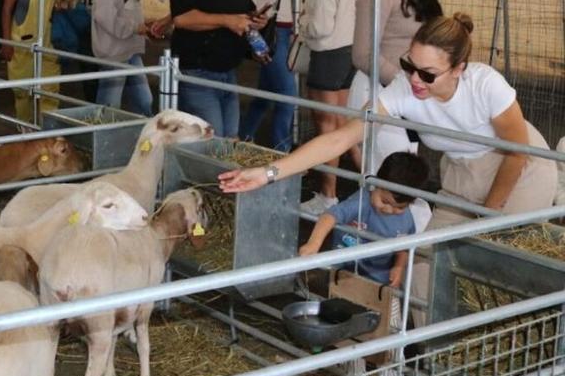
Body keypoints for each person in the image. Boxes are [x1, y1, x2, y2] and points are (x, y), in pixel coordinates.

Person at [222, 12, 558, 226]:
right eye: (409, 65)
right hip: (460, 173)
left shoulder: (485, 85)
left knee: (498, 258)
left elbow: (517, 152)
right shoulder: (402, 89)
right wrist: (268, 173)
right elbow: (340, 139)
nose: (415, 80)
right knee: (427, 266)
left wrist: (489, 215)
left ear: (459, 69)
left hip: (520, 169)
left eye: (428, 74)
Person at [345, 0, 444, 182]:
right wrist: (409, 82)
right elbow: (362, 54)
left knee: (401, 177)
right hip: (378, 89)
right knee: (390, 181)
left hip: (407, 93)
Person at [169, 0, 265, 135]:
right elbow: (181, 18)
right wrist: (227, 21)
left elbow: (245, 12)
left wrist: (256, 21)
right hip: (197, 73)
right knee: (212, 142)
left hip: (229, 72)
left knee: (228, 140)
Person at [299, 0, 361, 209]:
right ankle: (371, 182)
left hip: (327, 55)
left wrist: (302, 24)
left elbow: (321, 27)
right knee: (342, 123)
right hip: (350, 53)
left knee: (327, 126)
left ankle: (328, 195)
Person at [299, 151, 429, 286]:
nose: (389, 209)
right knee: (337, 294)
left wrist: (398, 267)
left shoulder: (406, 220)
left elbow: (404, 246)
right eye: (384, 201)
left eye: (400, 207)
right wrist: (313, 243)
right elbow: (330, 215)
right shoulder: (361, 201)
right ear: (375, 184)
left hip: (378, 275)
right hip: (343, 267)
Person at [239, 0, 299, 151]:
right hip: (270, 36)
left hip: (281, 33)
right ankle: (283, 154)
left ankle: (241, 140)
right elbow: (248, 5)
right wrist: (256, 42)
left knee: (265, 97)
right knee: (287, 95)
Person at [92, 0, 162, 116]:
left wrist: (141, 26)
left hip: (129, 49)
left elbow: (127, 9)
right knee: (109, 105)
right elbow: (104, 15)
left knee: (144, 101)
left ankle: (144, 132)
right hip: (114, 52)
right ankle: (100, 134)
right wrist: (134, 28)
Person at [2, 0, 61, 122]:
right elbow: (6, 10)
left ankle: (48, 130)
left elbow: (61, 4)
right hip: (22, 42)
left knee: (50, 90)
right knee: (22, 90)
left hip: (49, 41)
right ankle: (25, 127)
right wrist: (6, 42)